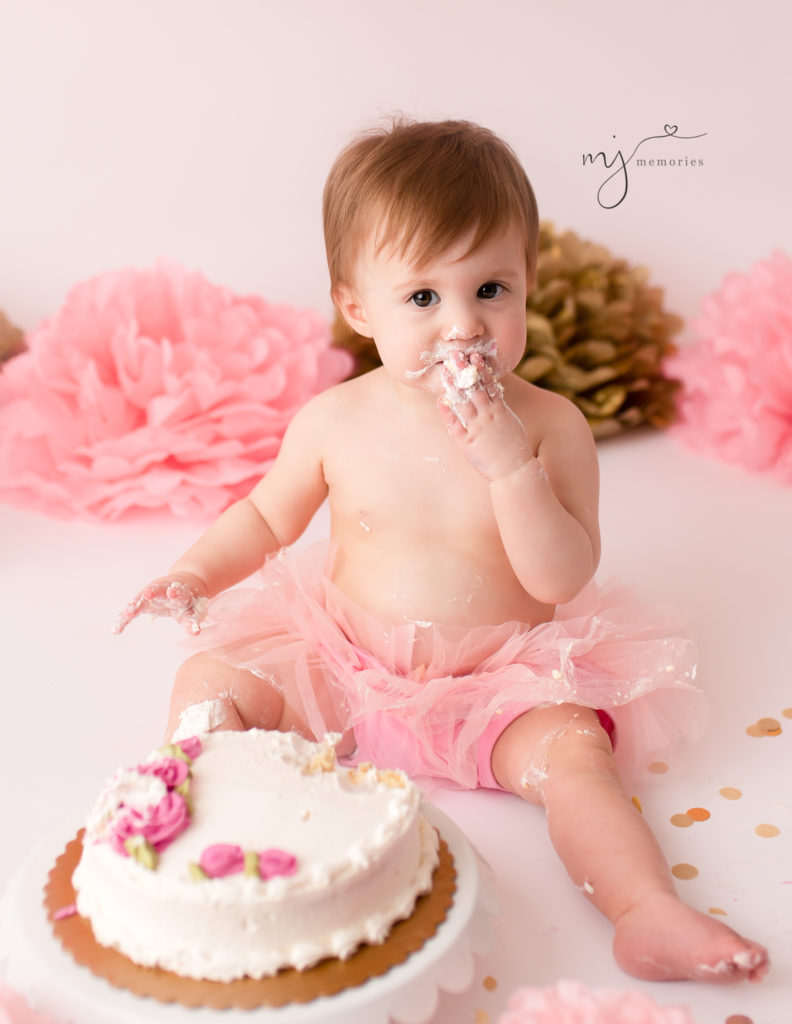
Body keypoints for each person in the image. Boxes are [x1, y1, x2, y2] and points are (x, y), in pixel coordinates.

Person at [115, 118, 768, 983]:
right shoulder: (336, 422)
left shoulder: (551, 427)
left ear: (529, 282)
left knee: (576, 758)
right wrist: (194, 572)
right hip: (344, 668)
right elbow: (267, 520)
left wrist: (508, 465)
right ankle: (192, 824)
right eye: (423, 298)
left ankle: (645, 909)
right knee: (209, 680)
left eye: (491, 288)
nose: (463, 324)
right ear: (357, 306)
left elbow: (562, 576)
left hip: (496, 686)